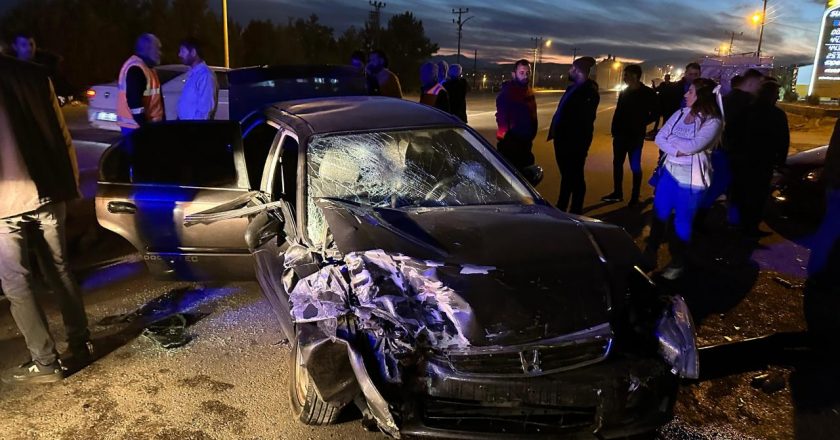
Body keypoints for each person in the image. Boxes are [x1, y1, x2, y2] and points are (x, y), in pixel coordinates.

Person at [0, 54, 92, 384]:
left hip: (4, 204)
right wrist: (72, 185)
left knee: (16, 282)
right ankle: (81, 343)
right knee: (60, 268)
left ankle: (46, 362)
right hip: (49, 192)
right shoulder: (35, 76)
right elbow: (61, 133)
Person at [644, 78, 723, 280]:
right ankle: (649, 254)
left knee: (682, 222)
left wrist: (675, 144)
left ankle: (678, 262)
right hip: (669, 174)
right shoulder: (680, 113)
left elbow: (692, 146)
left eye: (690, 92)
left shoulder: (713, 121)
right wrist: (677, 148)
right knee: (659, 215)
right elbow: (660, 137)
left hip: (691, 181)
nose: (685, 95)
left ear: (701, 96)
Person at [731, 78, 789, 238]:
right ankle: (750, 229)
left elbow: (732, 134)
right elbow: (783, 141)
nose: (778, 96)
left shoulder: (746, 111)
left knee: (743, 195)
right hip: (763, 163)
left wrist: (734, 154)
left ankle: (741, 227)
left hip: (743, 162)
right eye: (776, 93)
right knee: (758, 197)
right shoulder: (777, 114)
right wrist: (780, 162)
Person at [548, 56, 600, 214]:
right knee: (567, 175)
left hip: (575, 143)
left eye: (572, 68)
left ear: (579, 71)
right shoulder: (574, 88)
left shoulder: (589, 93)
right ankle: (562, 205)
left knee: (576, 177)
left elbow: (582, 122)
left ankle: (576, 209)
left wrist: (578, 143)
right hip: (564, 140)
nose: (569, 71)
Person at [603, 64, 658, 207]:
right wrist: (614, 129)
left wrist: (641, 123)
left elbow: (656, 112)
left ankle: (635, 196)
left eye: (626, 75)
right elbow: (619, 111)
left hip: (635, 136)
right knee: (617, 164)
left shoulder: (647, 93)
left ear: (634, 76)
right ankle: (617, 193)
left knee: (635, 165)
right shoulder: (625, 92)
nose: (624, 78)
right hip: (620, 135)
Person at [723, 68, 765, 230]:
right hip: (740, 154)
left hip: (729, 151)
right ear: (751, 82)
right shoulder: (747, 102)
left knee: (732, 189)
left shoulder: (728, 98)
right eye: (759, 84)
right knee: (739, 190)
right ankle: (734, 223)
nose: (760, 88)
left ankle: (731, 219)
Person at [117, 33, 164, 136]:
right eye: (158, 49)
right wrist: (146, 129)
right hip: (136, 129)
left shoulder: (147, 68)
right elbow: (135, 105)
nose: (160, 53)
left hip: (143, 127)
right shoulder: (136, 69)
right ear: (147, 49)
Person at [495, 59, 538, 170]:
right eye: (522, 73)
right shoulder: (508, 93)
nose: (525, 76)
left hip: (526, 143)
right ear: (514, 74)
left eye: (528, 73)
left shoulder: (528, 91)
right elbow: (501, 119)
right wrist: (504, 139)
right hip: (513, 145)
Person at [175, 38, 218, 121]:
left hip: (194, 130)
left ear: (193, 52)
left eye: (183, 51)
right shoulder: (193, 74)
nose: (179, 54)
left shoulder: (205, 75)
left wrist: (195, 130)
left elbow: (205, 110)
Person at [658, 63, 701, 130]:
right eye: (690, 74)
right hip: (676, 120)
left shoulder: (703, 90)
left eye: (695, 74)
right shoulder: (675, 88)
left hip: (694, 123)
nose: (693, 77)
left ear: (699, 75)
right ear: (685, 73)